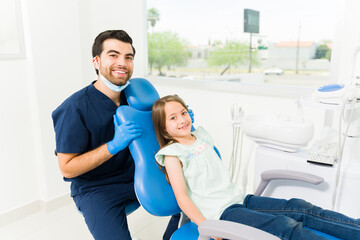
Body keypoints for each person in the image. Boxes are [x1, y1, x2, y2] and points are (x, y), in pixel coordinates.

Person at [152, 94, 360, 240]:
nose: (182, 119)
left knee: (301, 207)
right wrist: (205, 225)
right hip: (222, 213)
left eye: (183, 112)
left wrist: (186, 126)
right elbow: (182, 198)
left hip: (241, 199)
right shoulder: (172, 155)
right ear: (164, 129)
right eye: (173, 118)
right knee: (285, 227)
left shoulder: (201, 135)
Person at [52, 30, 180, 240]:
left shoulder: (137, 101)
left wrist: (179, 121)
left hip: (137, 175)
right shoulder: (73, 109)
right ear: (96, 61)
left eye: (128, 57)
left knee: (194, 196)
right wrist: (113, 146)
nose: (122, 62)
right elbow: (67, 168)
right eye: (113, 55)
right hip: (96, 188)